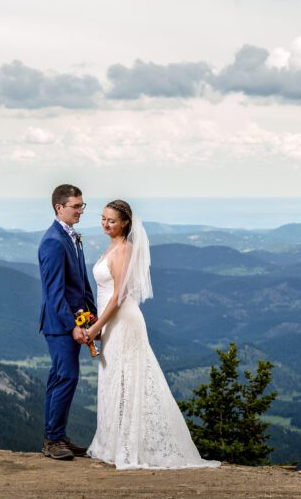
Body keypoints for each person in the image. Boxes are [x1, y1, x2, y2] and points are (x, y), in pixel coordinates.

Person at [84, 199, 220, 470]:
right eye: (103, 218)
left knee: (128, 378)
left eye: (111, 220)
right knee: (114, 378)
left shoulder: (123, 250)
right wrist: (99, 323)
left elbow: (120, 296)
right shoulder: (112, 246)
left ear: (125, 223)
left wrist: (96, 327)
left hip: (123, 321)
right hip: (112, 321)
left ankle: (128, 447)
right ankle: (114, 443)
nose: (105, 224)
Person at [38, 183, 98, 461]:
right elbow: (54, 292)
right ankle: (52, 440)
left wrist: (92, 315)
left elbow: (81, 282)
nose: (80, 211)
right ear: (58, 208)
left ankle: (57, 436)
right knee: (67, 377)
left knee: (59, 377)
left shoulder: (71, 237)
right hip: (60, 324)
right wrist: (71, 325)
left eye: (81, 206)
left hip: (76, 320)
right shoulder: (52, 241)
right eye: (76, 206)